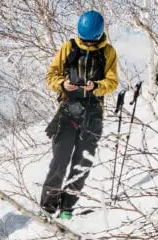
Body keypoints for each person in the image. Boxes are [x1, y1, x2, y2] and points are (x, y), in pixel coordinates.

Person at [40, 10, 119, 218]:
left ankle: (67, 207)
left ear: (99, 36)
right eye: (84, 40)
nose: (88, 45)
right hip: (67, 111)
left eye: (91, 42)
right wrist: (62, 84)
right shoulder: (68, 47)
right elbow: (51, 76)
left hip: (93, 114)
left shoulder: (108, 52)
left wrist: (95, 86)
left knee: (82, 163)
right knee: (59, 160)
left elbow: (112, 82)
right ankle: (48, 206)